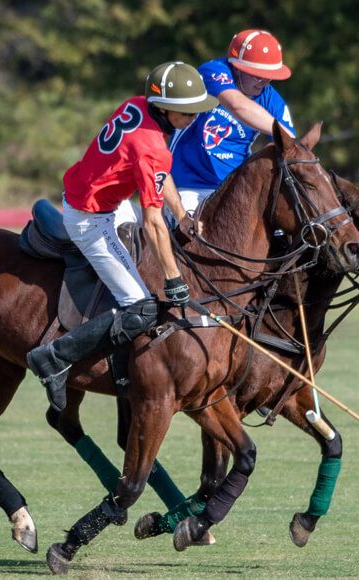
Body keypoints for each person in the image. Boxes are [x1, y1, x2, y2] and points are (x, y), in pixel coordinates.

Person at [27, 62, 218, 411]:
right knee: (141, 307)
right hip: (90, 219)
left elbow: (160, 176)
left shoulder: (139, 105)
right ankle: (54, 358)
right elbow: (152, 222)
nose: (193, 118)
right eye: (187, 112)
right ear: (165, 108)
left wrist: (184, 216)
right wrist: (175, 280)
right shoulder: (152, 147)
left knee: (153, 261)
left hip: (102, 201)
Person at [169, 29, 295, 215]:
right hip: (187, 183)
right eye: (258, 75)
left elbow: (289, 142)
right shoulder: (213, 71)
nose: (264, 83)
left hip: (233, 189)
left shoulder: (271, 99)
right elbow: (237, 105)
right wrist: (280, 132)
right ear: (237, 67)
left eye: (270, 77)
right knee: (191, 237)